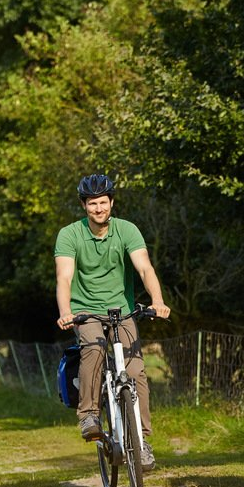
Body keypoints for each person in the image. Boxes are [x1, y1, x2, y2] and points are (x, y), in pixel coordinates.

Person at [54, 173, 171, 471]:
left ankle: (143, 443)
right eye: (92, 204)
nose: (98, 209)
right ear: (84, 206)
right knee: (93, 350)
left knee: (136, 371)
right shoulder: (69, 235)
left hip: (123, 310)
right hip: (86, 311)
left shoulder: (127, 230)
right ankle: (89, 415)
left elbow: (144, 268)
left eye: (103, 203)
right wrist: (66, 311)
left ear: (112, 203)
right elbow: (64, 277)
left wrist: (157, 302)